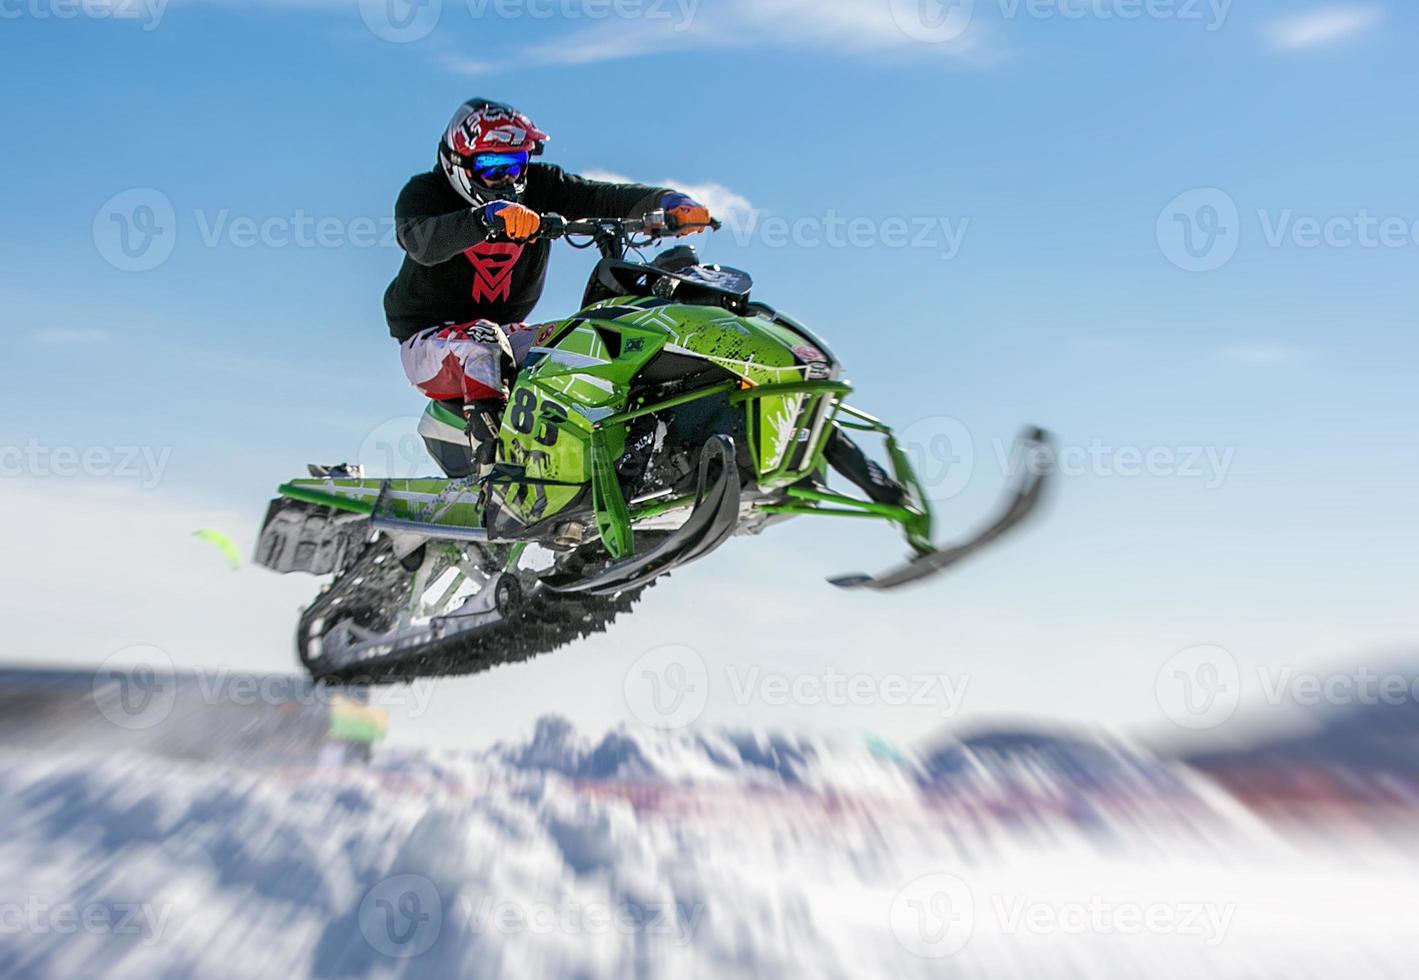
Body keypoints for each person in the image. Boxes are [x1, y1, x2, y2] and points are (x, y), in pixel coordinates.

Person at [383, 97, 710, 476]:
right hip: (429, 341)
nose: (508, 178)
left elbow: (598, 196)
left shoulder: (540, 186)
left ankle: (622, 455)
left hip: (504, 333)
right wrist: (485, 219)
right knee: (482, 344)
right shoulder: (426, 192)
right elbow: (422, 241)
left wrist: (664, 202)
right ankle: (494, 473)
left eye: (518, 163)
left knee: (581, 341)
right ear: (459, 163)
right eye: (493, 166)